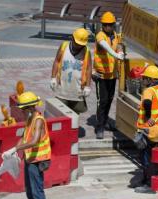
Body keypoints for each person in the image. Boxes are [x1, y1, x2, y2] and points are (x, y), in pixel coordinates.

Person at [2, 91, 51, 199]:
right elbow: (24, 137)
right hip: (30, 159)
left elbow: (34, 140)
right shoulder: (30, 119)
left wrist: (15, 148)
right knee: (30, 191)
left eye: (23, 109)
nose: (22, 112)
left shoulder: (38, 120)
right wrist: (15, 153)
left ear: (30, 108)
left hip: (38, 161)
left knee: (37, 192)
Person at [134, 65, 158, 194]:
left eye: (144, 78)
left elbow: (148, 103)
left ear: (149, 79)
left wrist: (148, 118)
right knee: (150, 155)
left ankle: (149, 185)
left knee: (146, 157)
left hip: (148, 129)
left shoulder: (148, 91)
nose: (143, 81)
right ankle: (145, 179)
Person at [93, 11, 125, 139]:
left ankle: (105, 122)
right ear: (102, 25)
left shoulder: (115, 35)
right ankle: (99, 127)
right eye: (105, 25)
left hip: (112, 75)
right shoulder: (100, 36)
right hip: (101, 75)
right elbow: (105, 47)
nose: (108, 27)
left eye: (110, 25)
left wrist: (120, 51)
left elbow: (118, 45)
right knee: (102, 101)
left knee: (109, 100)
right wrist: (116, 55)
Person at [50, 28, 92, 114]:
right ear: (72, 38)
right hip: (63, 90)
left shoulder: (86, 51)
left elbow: (88, 69)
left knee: (75, 115)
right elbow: (57, 61)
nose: (79, 46)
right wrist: (53, 77)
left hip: (77, 90)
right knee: (61, 114)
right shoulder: (64, 46)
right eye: (77, 43)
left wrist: (88, 86)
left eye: (81, 44)